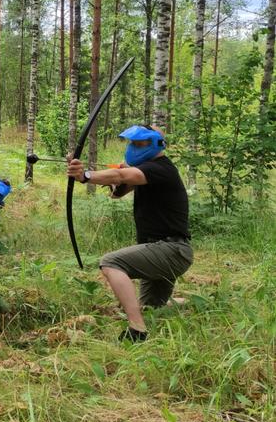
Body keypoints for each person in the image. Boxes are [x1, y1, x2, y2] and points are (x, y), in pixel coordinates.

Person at [66, 125, 192, 342]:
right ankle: (191, 304)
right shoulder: (145, 171)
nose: (134, 147)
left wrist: (85, 175)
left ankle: (137, 331)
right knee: (150, 308)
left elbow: (122, 174)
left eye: (139, 143)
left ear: (156, 144)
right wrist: (85, 170)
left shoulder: (160, 168)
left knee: (111, 262)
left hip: (171, 250)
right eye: (132, 143)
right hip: (160, 252)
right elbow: (119, 188)